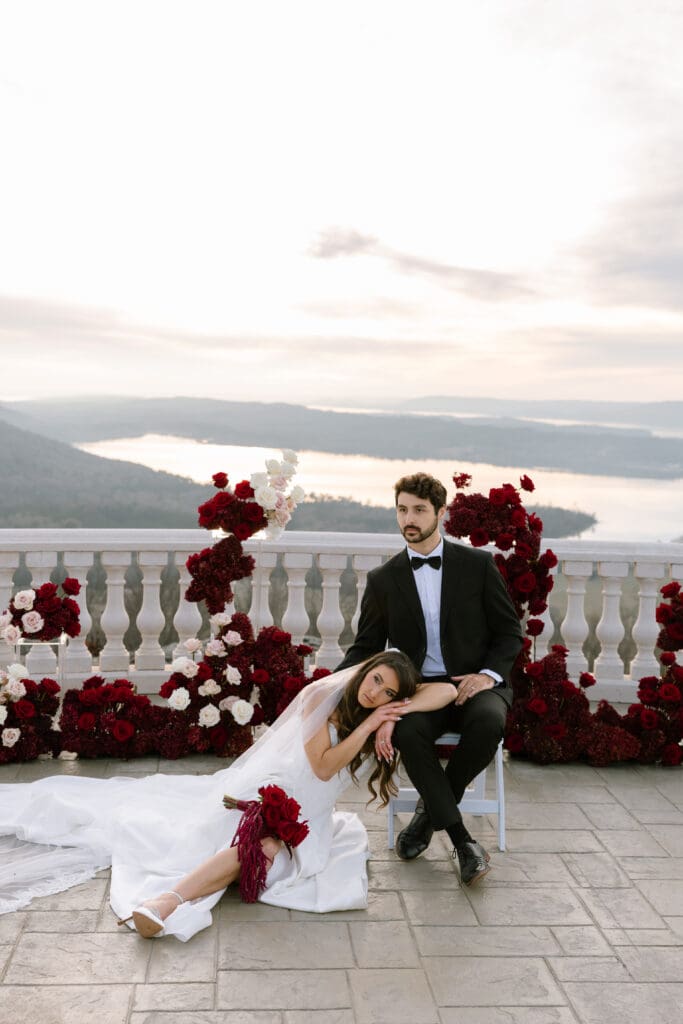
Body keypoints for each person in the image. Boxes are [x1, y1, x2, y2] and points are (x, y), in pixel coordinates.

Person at [0, 650, 462, 941]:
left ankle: (169, 901)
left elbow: (445, 690)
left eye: (388, 693)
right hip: (267, 793)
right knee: (254, 845)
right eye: (375, 679)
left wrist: (392, 713)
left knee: (265, 850)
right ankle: (166, 902)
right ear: (365, 669)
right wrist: (370, 722)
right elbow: (322, 767)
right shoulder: (321, 698)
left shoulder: (380, 709)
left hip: (310, 820)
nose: (375, 691)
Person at [338, 473, 523, 885]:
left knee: (489, 723)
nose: (410, 518)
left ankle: (425, 817)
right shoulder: (384, 580)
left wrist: (488, 675)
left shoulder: (477, 565)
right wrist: (329, 688)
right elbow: (366, 647)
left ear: (441, 513)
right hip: (420, 690)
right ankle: (463, 843)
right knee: (407, 734)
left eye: (419, 510)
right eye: (403, 509)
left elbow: (510, 632)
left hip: (476, 682)